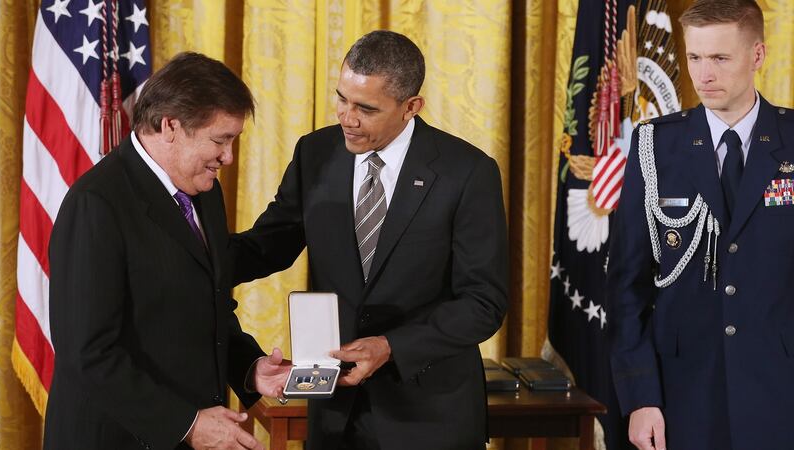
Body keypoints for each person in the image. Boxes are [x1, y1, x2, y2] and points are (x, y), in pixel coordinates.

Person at [231, 30, 508, 449]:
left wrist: (391, 346)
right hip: (336, 416)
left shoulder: (467, 173)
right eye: (342, 98)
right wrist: (191, 252)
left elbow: (483, 304)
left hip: (429, 419)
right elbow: (268, 245)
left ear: (410, 107)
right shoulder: (316, 153)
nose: (347, 117)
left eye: (365, 108)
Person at [43, 52, 291, 450]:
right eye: (220, 140)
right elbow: (89, 354)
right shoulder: (96, 204)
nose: (228, 157)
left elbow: (205, 303)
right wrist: (188, 424)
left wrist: (250, 369)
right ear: (170, 126)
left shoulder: (204, 192)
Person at [608, 1, 794, 449]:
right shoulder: (654, 145)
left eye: (720, 58)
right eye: (694, 57)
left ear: (757, 55)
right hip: (680, 395)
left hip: (781, 391)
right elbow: (627, 287)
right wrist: (641, 398)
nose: (704, 75)